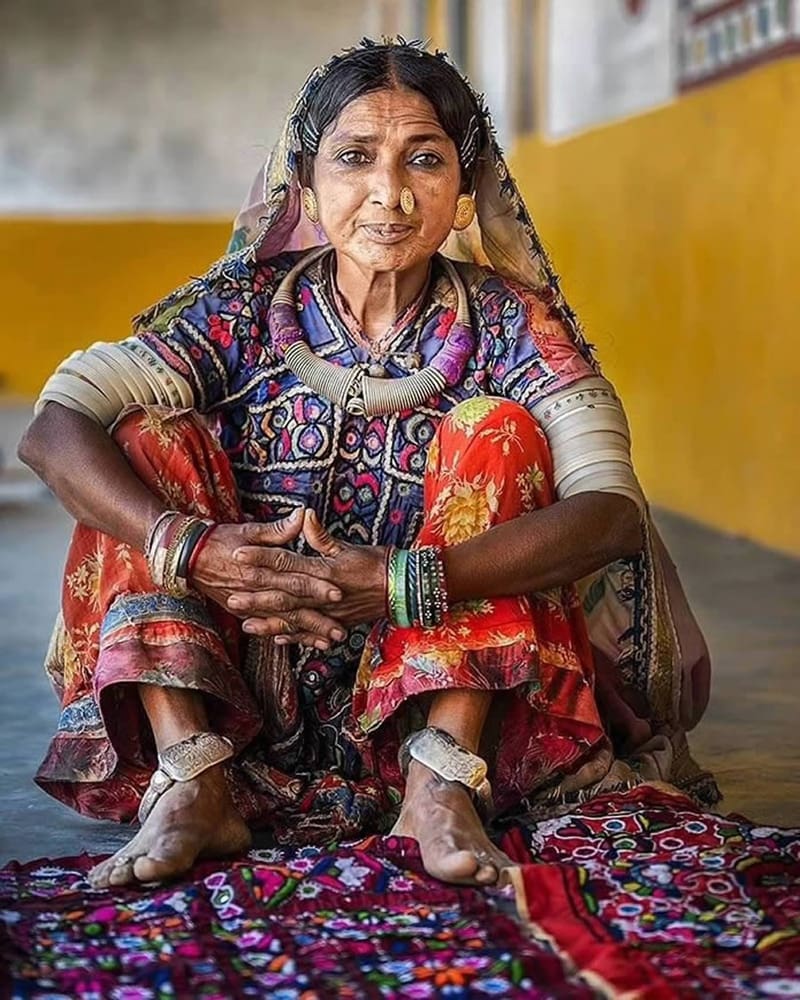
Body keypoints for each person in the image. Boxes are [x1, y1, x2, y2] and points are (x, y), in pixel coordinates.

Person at [19, 39, 717, 891]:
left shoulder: (511, 325)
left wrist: (400, 583)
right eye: (354, 158)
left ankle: (439, 783)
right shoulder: (241, 308)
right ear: (306, 185)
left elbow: (609, 512)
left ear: (464, 193)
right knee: (141, 436)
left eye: (424, 160)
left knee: (495, 430)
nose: (388, 193)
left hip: (449, 694)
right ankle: (192, 780)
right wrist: (194, 550)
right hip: (245, 693)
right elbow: (53, 430)